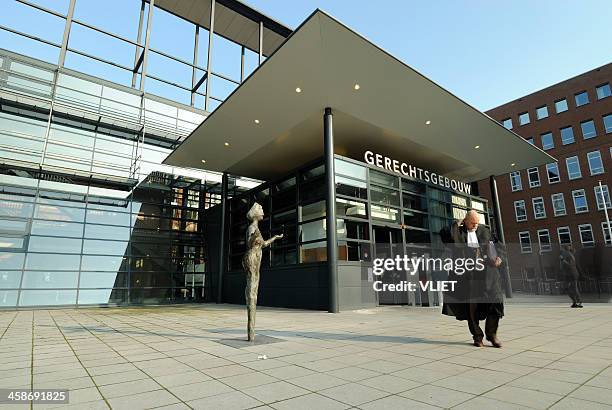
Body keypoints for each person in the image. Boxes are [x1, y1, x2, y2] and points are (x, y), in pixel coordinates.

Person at [440, 210, 505, 348]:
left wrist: (500, 258)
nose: (476, 225)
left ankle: (492, 334)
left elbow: (499, 246)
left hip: (489, 274)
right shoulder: (458, 231)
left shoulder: (485, 231)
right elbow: (445, 235)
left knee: (496, 301)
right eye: (473, 222)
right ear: (466, 221)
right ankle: (477, 336)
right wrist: (457, 223)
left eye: (477, 222)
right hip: (469, 276)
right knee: (472, 307)